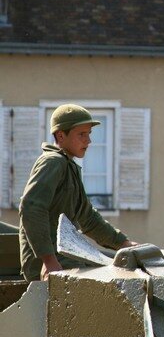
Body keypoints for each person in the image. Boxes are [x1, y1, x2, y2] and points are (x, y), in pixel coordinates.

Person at [19, 104, 138, 281]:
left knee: (121, 269)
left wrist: (123, 243)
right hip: (49, 263)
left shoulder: (68, 165)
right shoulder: (53, 162)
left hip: (64, 256)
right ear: (60, 135)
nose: (88, 141)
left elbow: (87, 217)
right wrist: (48, 260)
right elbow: (31, 208)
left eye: (89, 134)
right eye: (81, 134)